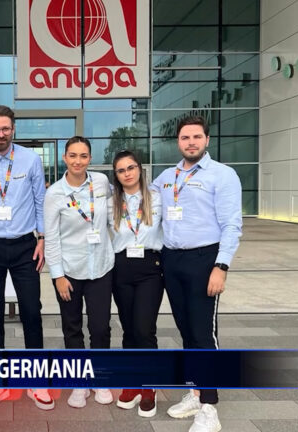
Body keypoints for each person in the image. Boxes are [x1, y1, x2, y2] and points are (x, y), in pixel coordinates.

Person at [152, 116, 242, 432]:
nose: (191, 142)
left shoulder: (223, 175)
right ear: (178, 141)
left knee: (204, 335)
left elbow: (232, 224)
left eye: (196, 137)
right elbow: (140, 200)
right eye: (185, 137)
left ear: (206, 140)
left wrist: (222, 266)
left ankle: (209, 407)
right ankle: (195, 392)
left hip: (205, 260)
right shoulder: (167, 177)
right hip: (171, 260)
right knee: (186, 331)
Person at [0, 105, 52, 411]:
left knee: (31, 310)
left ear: (13, 129)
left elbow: (40, 200)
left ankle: (36, 380)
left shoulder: (30, 160)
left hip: (24, 246)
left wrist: (42, 238)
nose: (0, 134)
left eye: (5, 128)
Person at [44, 136, 114, 409]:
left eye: (83, 156)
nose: (78, 161)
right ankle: (79, 381)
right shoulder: (55, 194)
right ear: (64, 158)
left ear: (90, 158)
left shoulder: (101, 182)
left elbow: (114, 213)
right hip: (69, 271)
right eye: (72, 155)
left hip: (101, 268)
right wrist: (58, 275)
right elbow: (51, 237)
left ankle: (99, 377)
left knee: (100, 327)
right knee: (72, 328)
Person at [110, 150, 163, 417]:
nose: (127, 173)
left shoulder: (157, 197)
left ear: (140, 169)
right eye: (121, 170)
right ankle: (132, 384)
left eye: (131, 168)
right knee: (129, 330)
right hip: (121, 269)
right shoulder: (111, 202)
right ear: (116, 175)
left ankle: (149, 387)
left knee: (144, 329)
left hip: (150, 269)